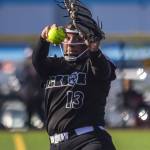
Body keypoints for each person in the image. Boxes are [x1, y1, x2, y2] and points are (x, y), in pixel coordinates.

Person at [32, 23, 116, 150]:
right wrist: (43, 40)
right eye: (67, 37)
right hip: (56, 144)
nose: (71, 43)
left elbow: (103, 71)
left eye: (78, 38)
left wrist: (94, 51)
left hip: (89, 140)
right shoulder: (54, 65)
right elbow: (37, 61)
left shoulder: (93, 63)